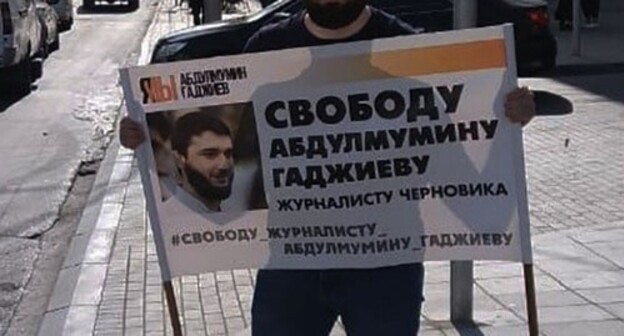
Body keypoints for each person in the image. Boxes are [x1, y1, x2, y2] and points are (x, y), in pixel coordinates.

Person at [120, 0, 536, 334]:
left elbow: (464, 185)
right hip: (291, 265)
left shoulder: (408, 53)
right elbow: (230, 166)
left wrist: (506, 119)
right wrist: (144, 133)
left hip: (385, 268)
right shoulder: (266, 52)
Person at [169, 112, 235, 213]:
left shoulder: (236, 215)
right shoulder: (167, 218)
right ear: (179, 160)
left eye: (228, 154)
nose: (224, 165)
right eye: (210, 154)